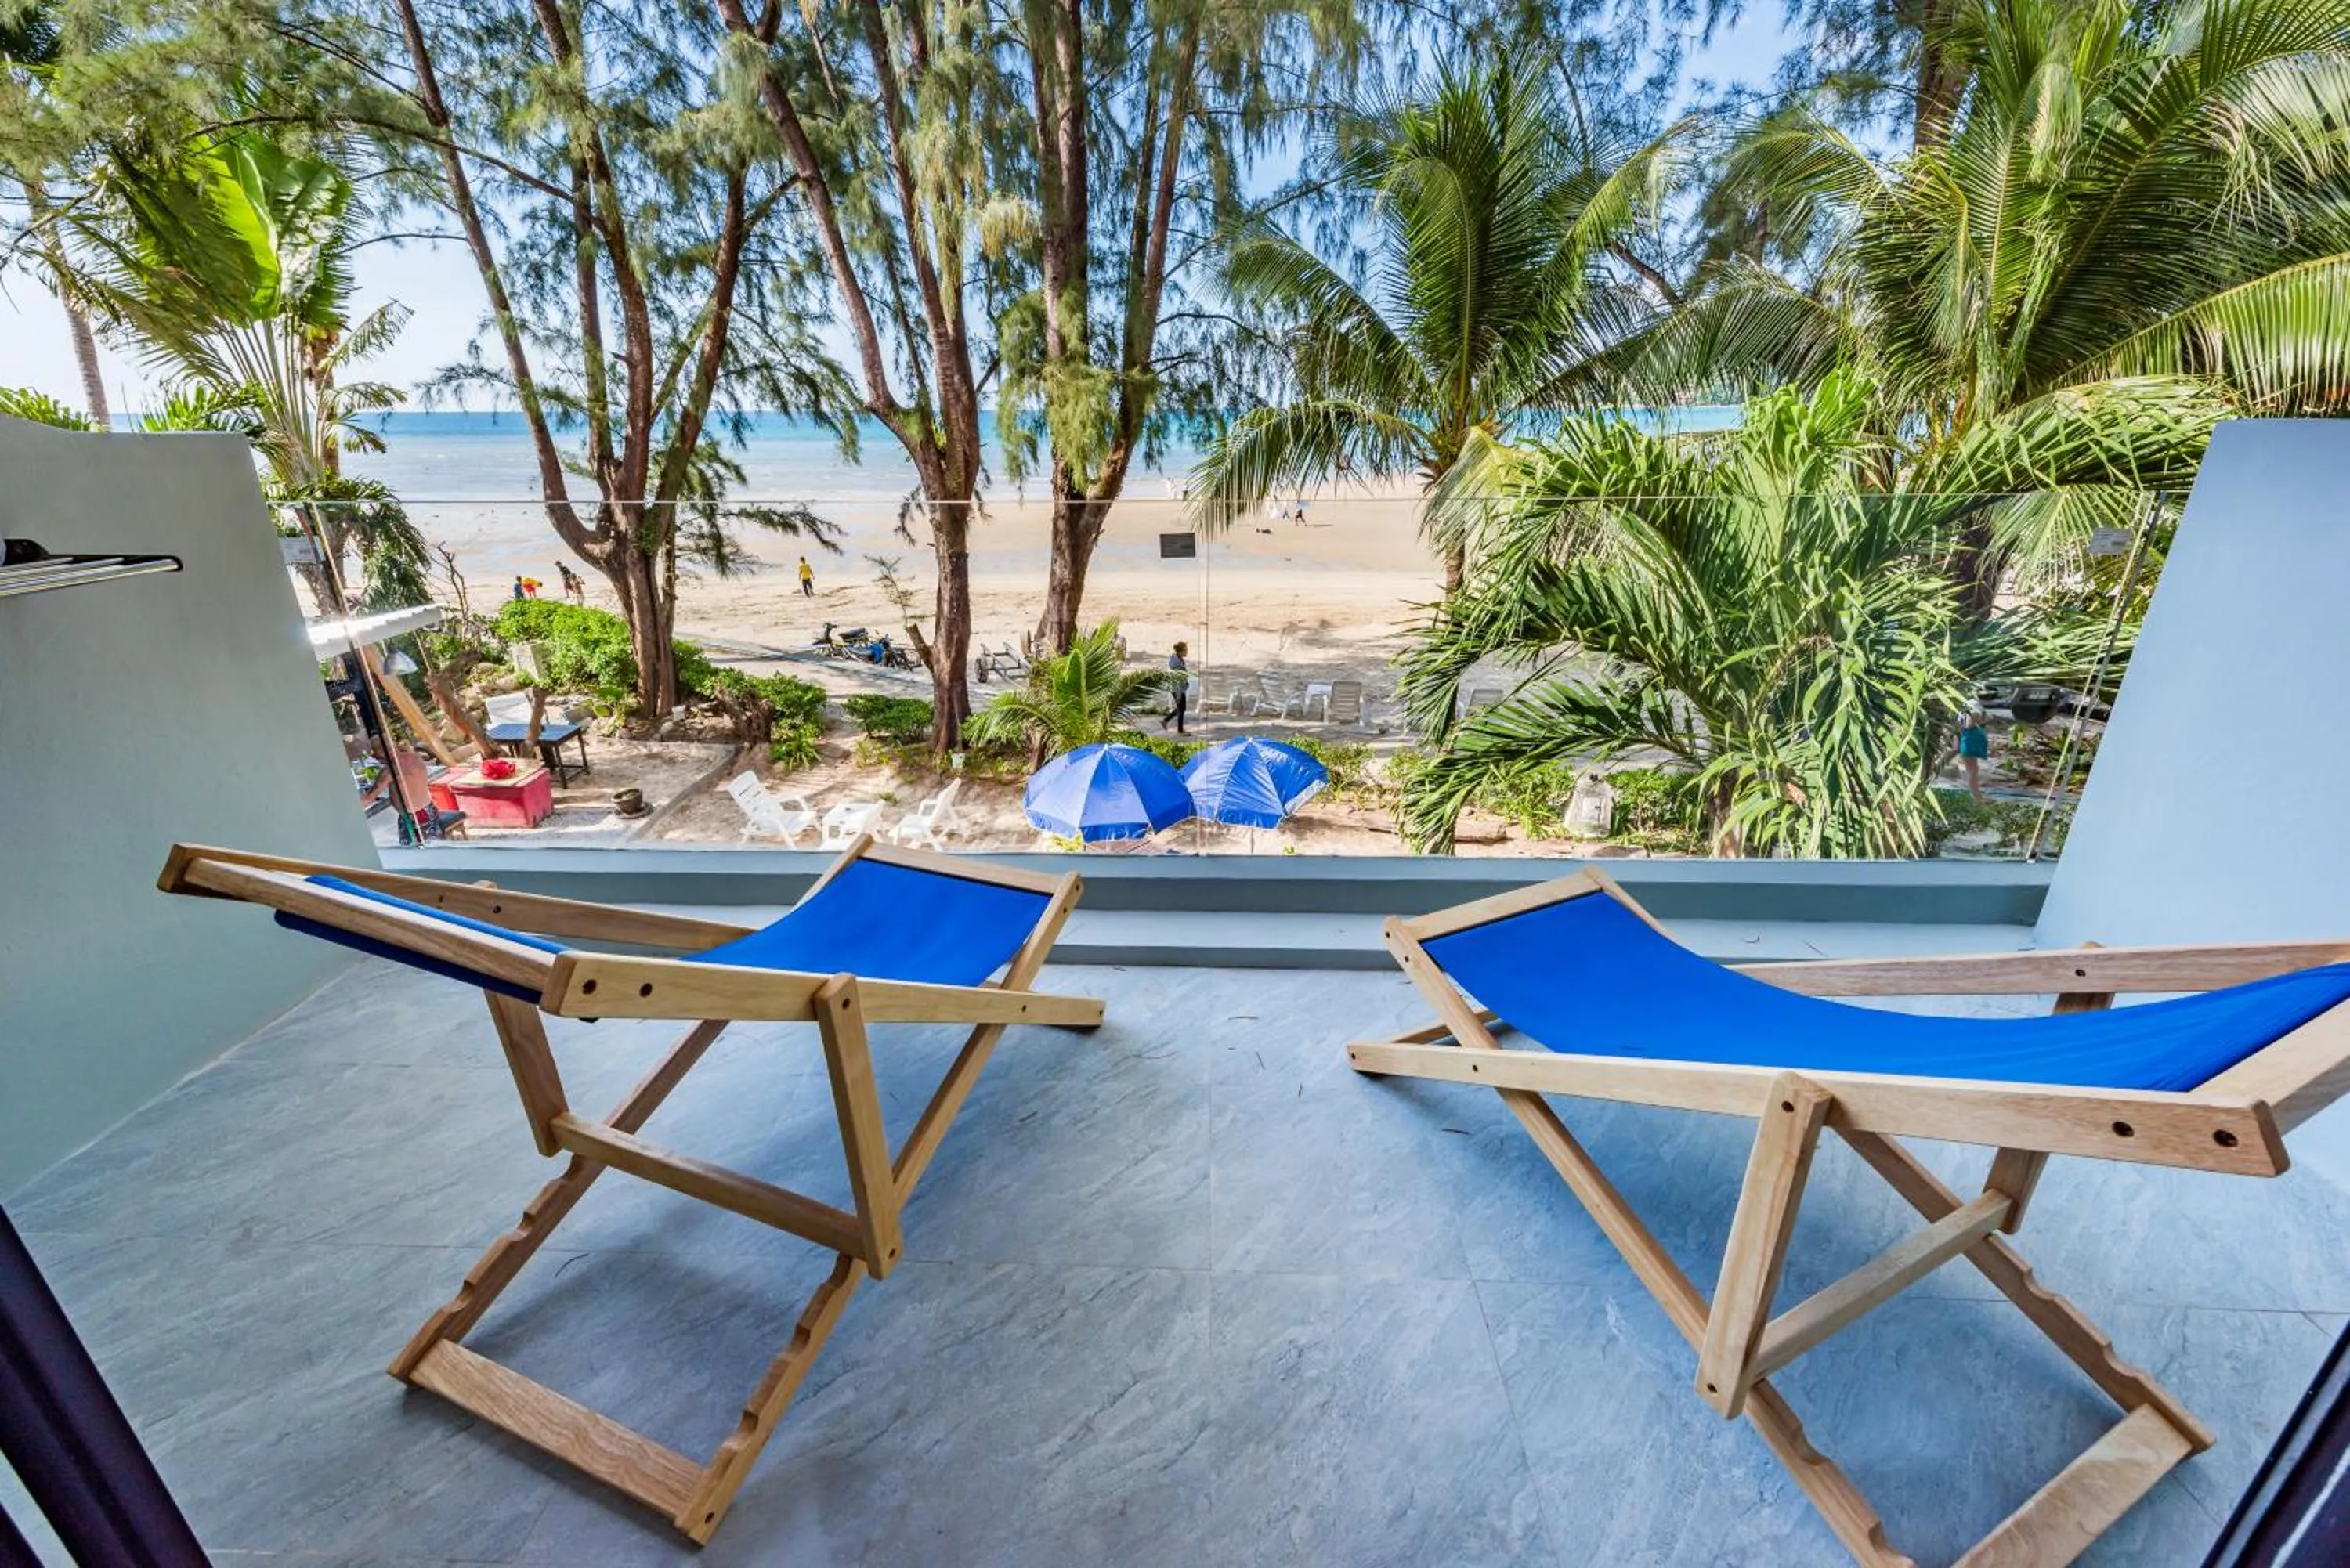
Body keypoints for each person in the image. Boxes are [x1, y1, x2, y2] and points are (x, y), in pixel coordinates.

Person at [1956, 699, 1990, 802]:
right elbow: (1969, 723)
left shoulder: (1963, 711)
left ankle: (1976, 794)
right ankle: (1977, 797)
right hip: (1969, 742)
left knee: (1973, 770)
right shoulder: (1973, 709)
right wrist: (1977, 720)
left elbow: (1961, 725)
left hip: (1969, 741)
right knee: (1972, 771)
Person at [1161, 641, 1189, 735]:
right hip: (1177, 688)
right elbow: (1177, 680)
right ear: (1180, 651)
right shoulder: (1176, 663)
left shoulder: (1178, 659)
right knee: (1181, 708)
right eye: (1185, 650)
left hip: (1180, 687)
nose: (1187, 652)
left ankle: (1166, 721)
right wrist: (1179, 693)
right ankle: (1179, 730)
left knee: (1181, 708)